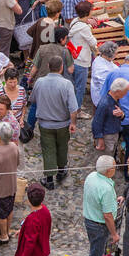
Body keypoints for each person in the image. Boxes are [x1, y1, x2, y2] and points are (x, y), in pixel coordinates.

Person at [31, 54, 78, 189]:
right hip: (62, 123)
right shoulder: (67, 84)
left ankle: (49, 179)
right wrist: (73, 123)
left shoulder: (39, 82)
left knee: (48, 149)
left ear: (48, 66)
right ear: (62, 67)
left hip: (45, 123)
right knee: (62, 146)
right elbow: (73, 108)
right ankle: (61, 171)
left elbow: (33, 99)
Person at [82, 154, 120, 256]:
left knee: (97, 252)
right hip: (98, 225)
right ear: (109, 171)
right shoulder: (106, 188)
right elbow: (107, 215)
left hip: (89, 220)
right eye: (114, 167)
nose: (116, 169)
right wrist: (114, 234)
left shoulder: (91, 176)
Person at [66, 1, 97, 110]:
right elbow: (93, 43)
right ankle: (77, 109)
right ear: (87, 13)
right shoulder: (84, 28)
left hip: (73, 58)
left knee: (73, 85)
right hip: (82, 61)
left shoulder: (75, 21)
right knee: (80, 88)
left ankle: (73, 105)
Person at [14, 183, 51, 256]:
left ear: (28, 199)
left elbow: (30, 243)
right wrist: (22, 230)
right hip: (41, 249)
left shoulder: (32, 220)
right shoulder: (45, 210)